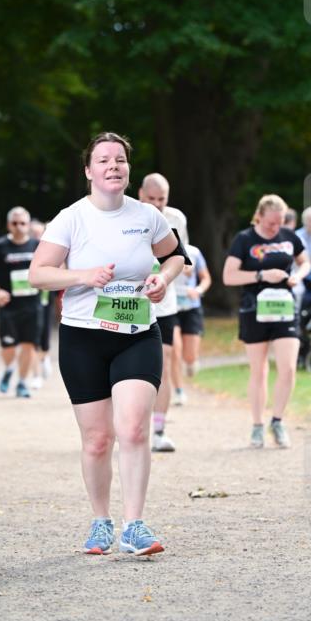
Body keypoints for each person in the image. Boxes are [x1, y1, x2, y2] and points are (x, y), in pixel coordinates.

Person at [29, 133, 185, 556]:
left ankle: (135, 526)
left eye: (120, 160)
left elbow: (176, 257)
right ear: (89, 171)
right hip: (83, 338)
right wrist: (82, 276)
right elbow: (38, 274)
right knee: (98, 439)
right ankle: (101, 522)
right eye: (104, 160)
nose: (113, 166)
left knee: (133, 428)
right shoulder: (71, 219)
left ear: (128, 169)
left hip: (137, 334)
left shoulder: (148, 217)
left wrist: (162, 279)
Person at [223, 194, 310, 449]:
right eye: (271, 223)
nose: (275, 228)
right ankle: (257, 425)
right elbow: (229, 276)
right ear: (259, 216)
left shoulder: (289, 237)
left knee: (289, 367)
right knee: (259, 370)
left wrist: (298, 276)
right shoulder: (244, 239)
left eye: (280, 222)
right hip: (254, 309)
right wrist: (262, 274)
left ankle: (278, 420)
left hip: (284, 307)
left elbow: (305, 262)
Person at [138, 173, 189, 452]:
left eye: (162, 199)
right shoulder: (126, 215)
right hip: (130, 303)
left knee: (163, 365)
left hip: (165, 305)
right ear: (140, 195)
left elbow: (182, 257)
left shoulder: (176, 219)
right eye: (151, 199)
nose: (157, 205)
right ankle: (125, 425)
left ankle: (158, 430)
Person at [0, 207, 40, 399]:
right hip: (8, 306)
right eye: (14, 223)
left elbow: (53, 268)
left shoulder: (38, 246)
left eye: (23, 223)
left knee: (29, 345)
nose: (19, 227)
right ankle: (9, 368)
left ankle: (22, 383)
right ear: (8, 225)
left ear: (28, 225)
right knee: (8, 347)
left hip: (33, 305)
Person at [171, 243, 212, 405]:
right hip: (170, 307)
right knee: (174, 348)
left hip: (191, 306)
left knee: (190, 356)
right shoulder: (159, 248)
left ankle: (190, 362)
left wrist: (199, 290)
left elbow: (206, 278)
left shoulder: (194, 252)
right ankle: (179, 391)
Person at [29, 219, 54, 388]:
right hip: (27, 301)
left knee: (44, 334)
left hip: (45, 299)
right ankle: (36, 375)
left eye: (40, 234)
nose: (38, 237)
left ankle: (45, 357)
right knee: (31, 337)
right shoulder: (26, 249)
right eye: (35, 234)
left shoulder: (52, 250)